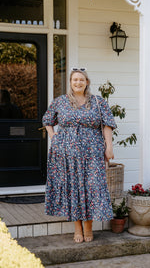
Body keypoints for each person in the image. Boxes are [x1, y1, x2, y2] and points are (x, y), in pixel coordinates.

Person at [42, 68, 116, 243]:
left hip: (93, 152)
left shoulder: (98, 102)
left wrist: (109, 147)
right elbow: (47, 120)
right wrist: (54, 138)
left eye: (81, 80)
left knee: (92, 187)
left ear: (87, 82)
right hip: (66, 153)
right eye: (75, 80)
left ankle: (88, 227)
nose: (78, 83)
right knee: (73, 189)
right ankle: (77, 228)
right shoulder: (60, 102)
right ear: (70, 82)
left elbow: (107, 125)